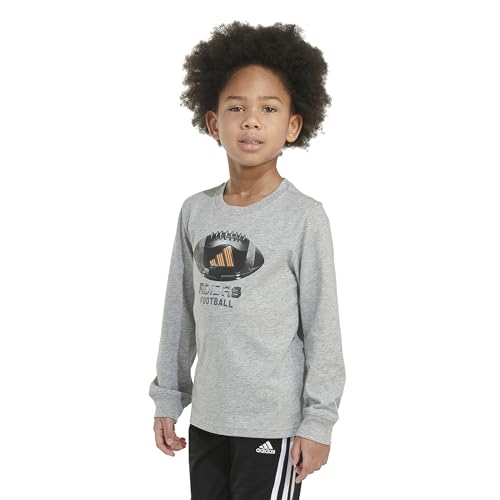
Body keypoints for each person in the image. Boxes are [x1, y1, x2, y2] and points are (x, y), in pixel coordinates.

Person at [149, 21, 346, 500]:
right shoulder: (195, 210)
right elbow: (179, 313)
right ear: (213, 123)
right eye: (236, 108)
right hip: (208, 421)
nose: (251, 121)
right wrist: (169, 397)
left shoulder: (304, 217)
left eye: (268, 109)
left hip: (273, 425)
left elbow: (322, 327)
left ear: (293, 125)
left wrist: (318, 421)